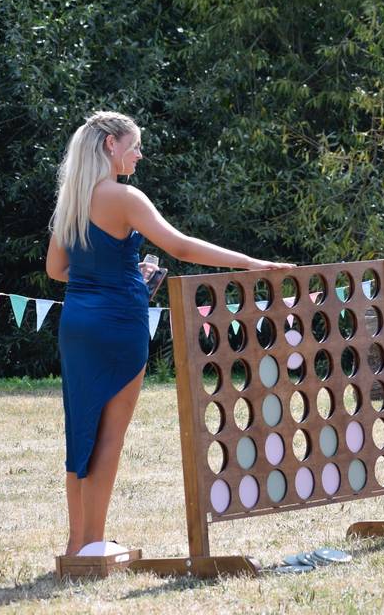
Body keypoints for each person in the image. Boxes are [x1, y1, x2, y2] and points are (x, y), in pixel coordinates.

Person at [45, 111, 293, 557]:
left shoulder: (71, 200)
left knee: (81, 428)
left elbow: (56, 269)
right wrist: (249, 263)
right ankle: (94, 545)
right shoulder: (124, 197)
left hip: (77, 323)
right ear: (110, 146)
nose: (139, 155)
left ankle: (76, 543)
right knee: (109, 435)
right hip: (119, 323)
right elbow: (179, 246)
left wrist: (113, 273)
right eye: (134, 146)